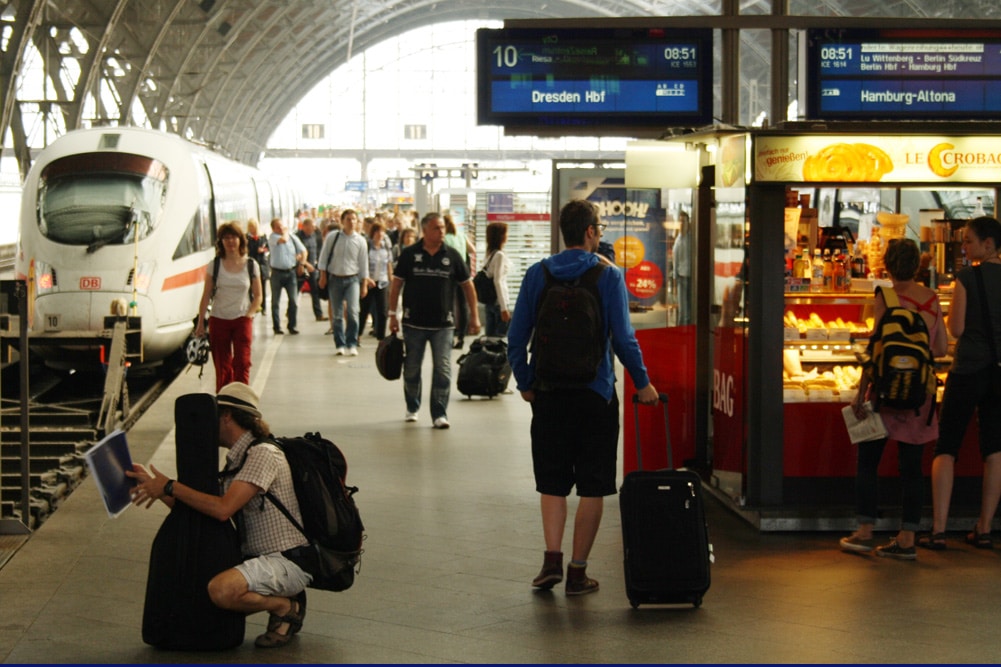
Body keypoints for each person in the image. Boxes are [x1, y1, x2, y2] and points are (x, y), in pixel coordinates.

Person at [507, 199, 659, 595]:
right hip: (596, 394)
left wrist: (526, 382)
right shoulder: (608, 276)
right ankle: (577, 572)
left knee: (552, 481)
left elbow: (515, 338)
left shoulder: (537, 274)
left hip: (549, 393)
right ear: (590, 232)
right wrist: (643, 383)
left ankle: (551, 560)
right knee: (593, 484)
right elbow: (624, 339)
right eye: (599, 229)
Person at [127, 383, 310, 649]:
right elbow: (203, 507)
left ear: (226, 416)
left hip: (285, 561)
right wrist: (153, 484)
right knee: (200, 593)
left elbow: (223, 509)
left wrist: (170, 486)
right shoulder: (237, 460)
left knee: (221, 591)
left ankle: (285, 606)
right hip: (256, 559)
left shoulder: (262, 454)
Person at [839, 238, 946, 559]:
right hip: (919, 395)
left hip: (884, 394)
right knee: (912, 469)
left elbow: (877, 348)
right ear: (918, 266)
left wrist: (860, 394)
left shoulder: (885, 297)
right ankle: (907, 538)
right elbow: (941, 349)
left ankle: (864, 532)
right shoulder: (931, 299)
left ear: (887, 266)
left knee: (868, 462)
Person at [920, 216, 1001, 551]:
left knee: (947, 447)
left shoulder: (968, 277)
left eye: (968, 241)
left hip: (967, 369)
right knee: (994, 449)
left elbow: (956, 329)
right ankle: (984, 528)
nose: (964, 247)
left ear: (988, 244)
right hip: (998, 373)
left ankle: (938, 530)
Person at [388, 211, 481, 429]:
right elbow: (396, 284)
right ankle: (412, 406)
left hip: (443, 325)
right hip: (413, 323)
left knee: (443, 369)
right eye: (436, 228)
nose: (442, 232)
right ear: (425, 230)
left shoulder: (452, 255)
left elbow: (468, 286)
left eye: (443, 228)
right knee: (412, 368)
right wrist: (392, 315)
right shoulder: (410, 254)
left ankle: (439, 413)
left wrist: (475, 316)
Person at [194, 222, 263, 391]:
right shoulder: (215, 265)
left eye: (233, 237)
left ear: (240, 240)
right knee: (222, 366)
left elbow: (258, 295)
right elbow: (206, 295)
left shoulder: (251, 265)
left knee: (242, 363)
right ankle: (224, 401)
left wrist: (249, 315)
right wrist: (201, 322)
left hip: (242, 319)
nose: (230, 241)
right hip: (219, 319)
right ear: (221, 242)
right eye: (226, 238)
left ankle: (241, 400)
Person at [318, 209, 370, 356]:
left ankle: (352, 342)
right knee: (337, 314)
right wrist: (323, 276)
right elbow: (323, 257)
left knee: (353, 312)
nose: (351, 222)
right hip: (335, 279)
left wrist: (364, 284)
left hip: (352, 280)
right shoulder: (333, 237)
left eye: (354, 219)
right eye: (348, 219)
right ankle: (340, 344)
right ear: (342, 221)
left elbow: (363, 264)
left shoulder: (360, 241)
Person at [267, 218, 307, 335]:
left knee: (293, 300)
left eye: (282, 226)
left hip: (291, 273)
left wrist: (302, 264)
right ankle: (277, 327)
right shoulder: (273, 237)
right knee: (275, 302)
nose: (281, 228)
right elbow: (283, 240)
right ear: (273, 229)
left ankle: (292, 325)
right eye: (278, 227)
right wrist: (285, 232)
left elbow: (304, 251)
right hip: (277, 273)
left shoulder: (293, 238)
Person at [443, 212, 476, 350]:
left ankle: (449, 336)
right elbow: (472, 249)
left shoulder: (444, 238)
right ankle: (462, 335)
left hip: (448, 274)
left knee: (449, 304)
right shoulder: (461, 236)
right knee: (463, 305)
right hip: (462, 273)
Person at [359, 220, 393, 340]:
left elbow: (389, 263)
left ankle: (381, 337)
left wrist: (391, 279)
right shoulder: (367, 246)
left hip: (382, 281)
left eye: (382, 231)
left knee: (382, 311)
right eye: (377, 231)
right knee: (364, 309)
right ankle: (358, 335)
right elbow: (362, 264)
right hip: (368, 281)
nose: (380, 234)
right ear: (373, 233)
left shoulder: (386, 246)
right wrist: (365, 280)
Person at [482, 221, 512, 337]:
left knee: (490, 338)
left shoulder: (490, 254)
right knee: (500, 339)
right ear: (500, 236)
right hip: (499, 303)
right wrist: (504, 308)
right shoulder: (499, 255)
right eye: (505, 233)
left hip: (490, 302)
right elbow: (498, 281)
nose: (507, 236)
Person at [295, 218, 327, 322]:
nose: (313, 228)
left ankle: (319, 314)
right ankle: (290, 312)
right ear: (305, 226)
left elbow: (319, 250)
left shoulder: (315, 235)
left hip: (312, 268)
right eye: (311, 226)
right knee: (296, 291)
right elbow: (296, 254)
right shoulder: (297, 236)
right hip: (301, 268)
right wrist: (305, 264)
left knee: (315, 291)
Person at [246, 218, 269, 314]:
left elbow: (268, 247)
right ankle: (253, 305)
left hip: (261, 265)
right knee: (250, 287)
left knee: (262, 287)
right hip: (250, 264)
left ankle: (263, 307)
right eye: (250, 227)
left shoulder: (263, 237)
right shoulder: (247, 238)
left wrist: (263, 250)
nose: (252, 229)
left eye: (254, 226)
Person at [673, 211, 692, 325]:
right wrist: (675, 281)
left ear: (688, 222)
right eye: (680, 221)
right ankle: (682, 329)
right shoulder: (678, 240)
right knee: (682, 310)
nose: (681, 224)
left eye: (683, 221)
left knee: (690, 309)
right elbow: (675, 262)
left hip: (691, 277)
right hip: (682, 278)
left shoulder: (691, 239)